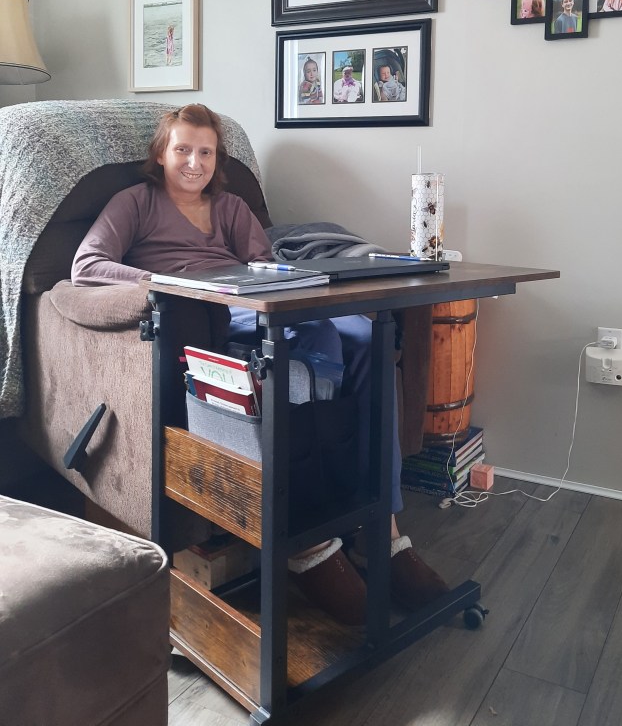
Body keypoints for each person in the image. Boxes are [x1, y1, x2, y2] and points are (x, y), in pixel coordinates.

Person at [70, 104, 448, 625]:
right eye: (183, 150)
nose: (194, 163)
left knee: (365, 336)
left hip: (248, 302)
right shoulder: (134, 203)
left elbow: (266, 268)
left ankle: (380, 527)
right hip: (199, 314)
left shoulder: (230, 207)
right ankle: (308, 539)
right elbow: (87, 264)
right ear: (161, 154)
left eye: (205, 152)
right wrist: (162, 284)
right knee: (302, 353)